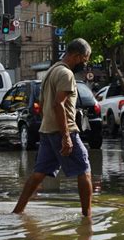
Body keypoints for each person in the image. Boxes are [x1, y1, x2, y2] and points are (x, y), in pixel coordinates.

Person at [12, 38, 93, 217]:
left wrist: (49, 125)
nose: (85, 63)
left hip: (47, 130)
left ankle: (17, 211)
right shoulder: (66, 74)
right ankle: (88, 218)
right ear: (76, 55)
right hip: (64, 130)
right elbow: (58, 104)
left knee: (38, 174)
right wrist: (65, 136)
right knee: (84, 170)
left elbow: (42, 104)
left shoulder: (51, 71)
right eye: (85, 59)